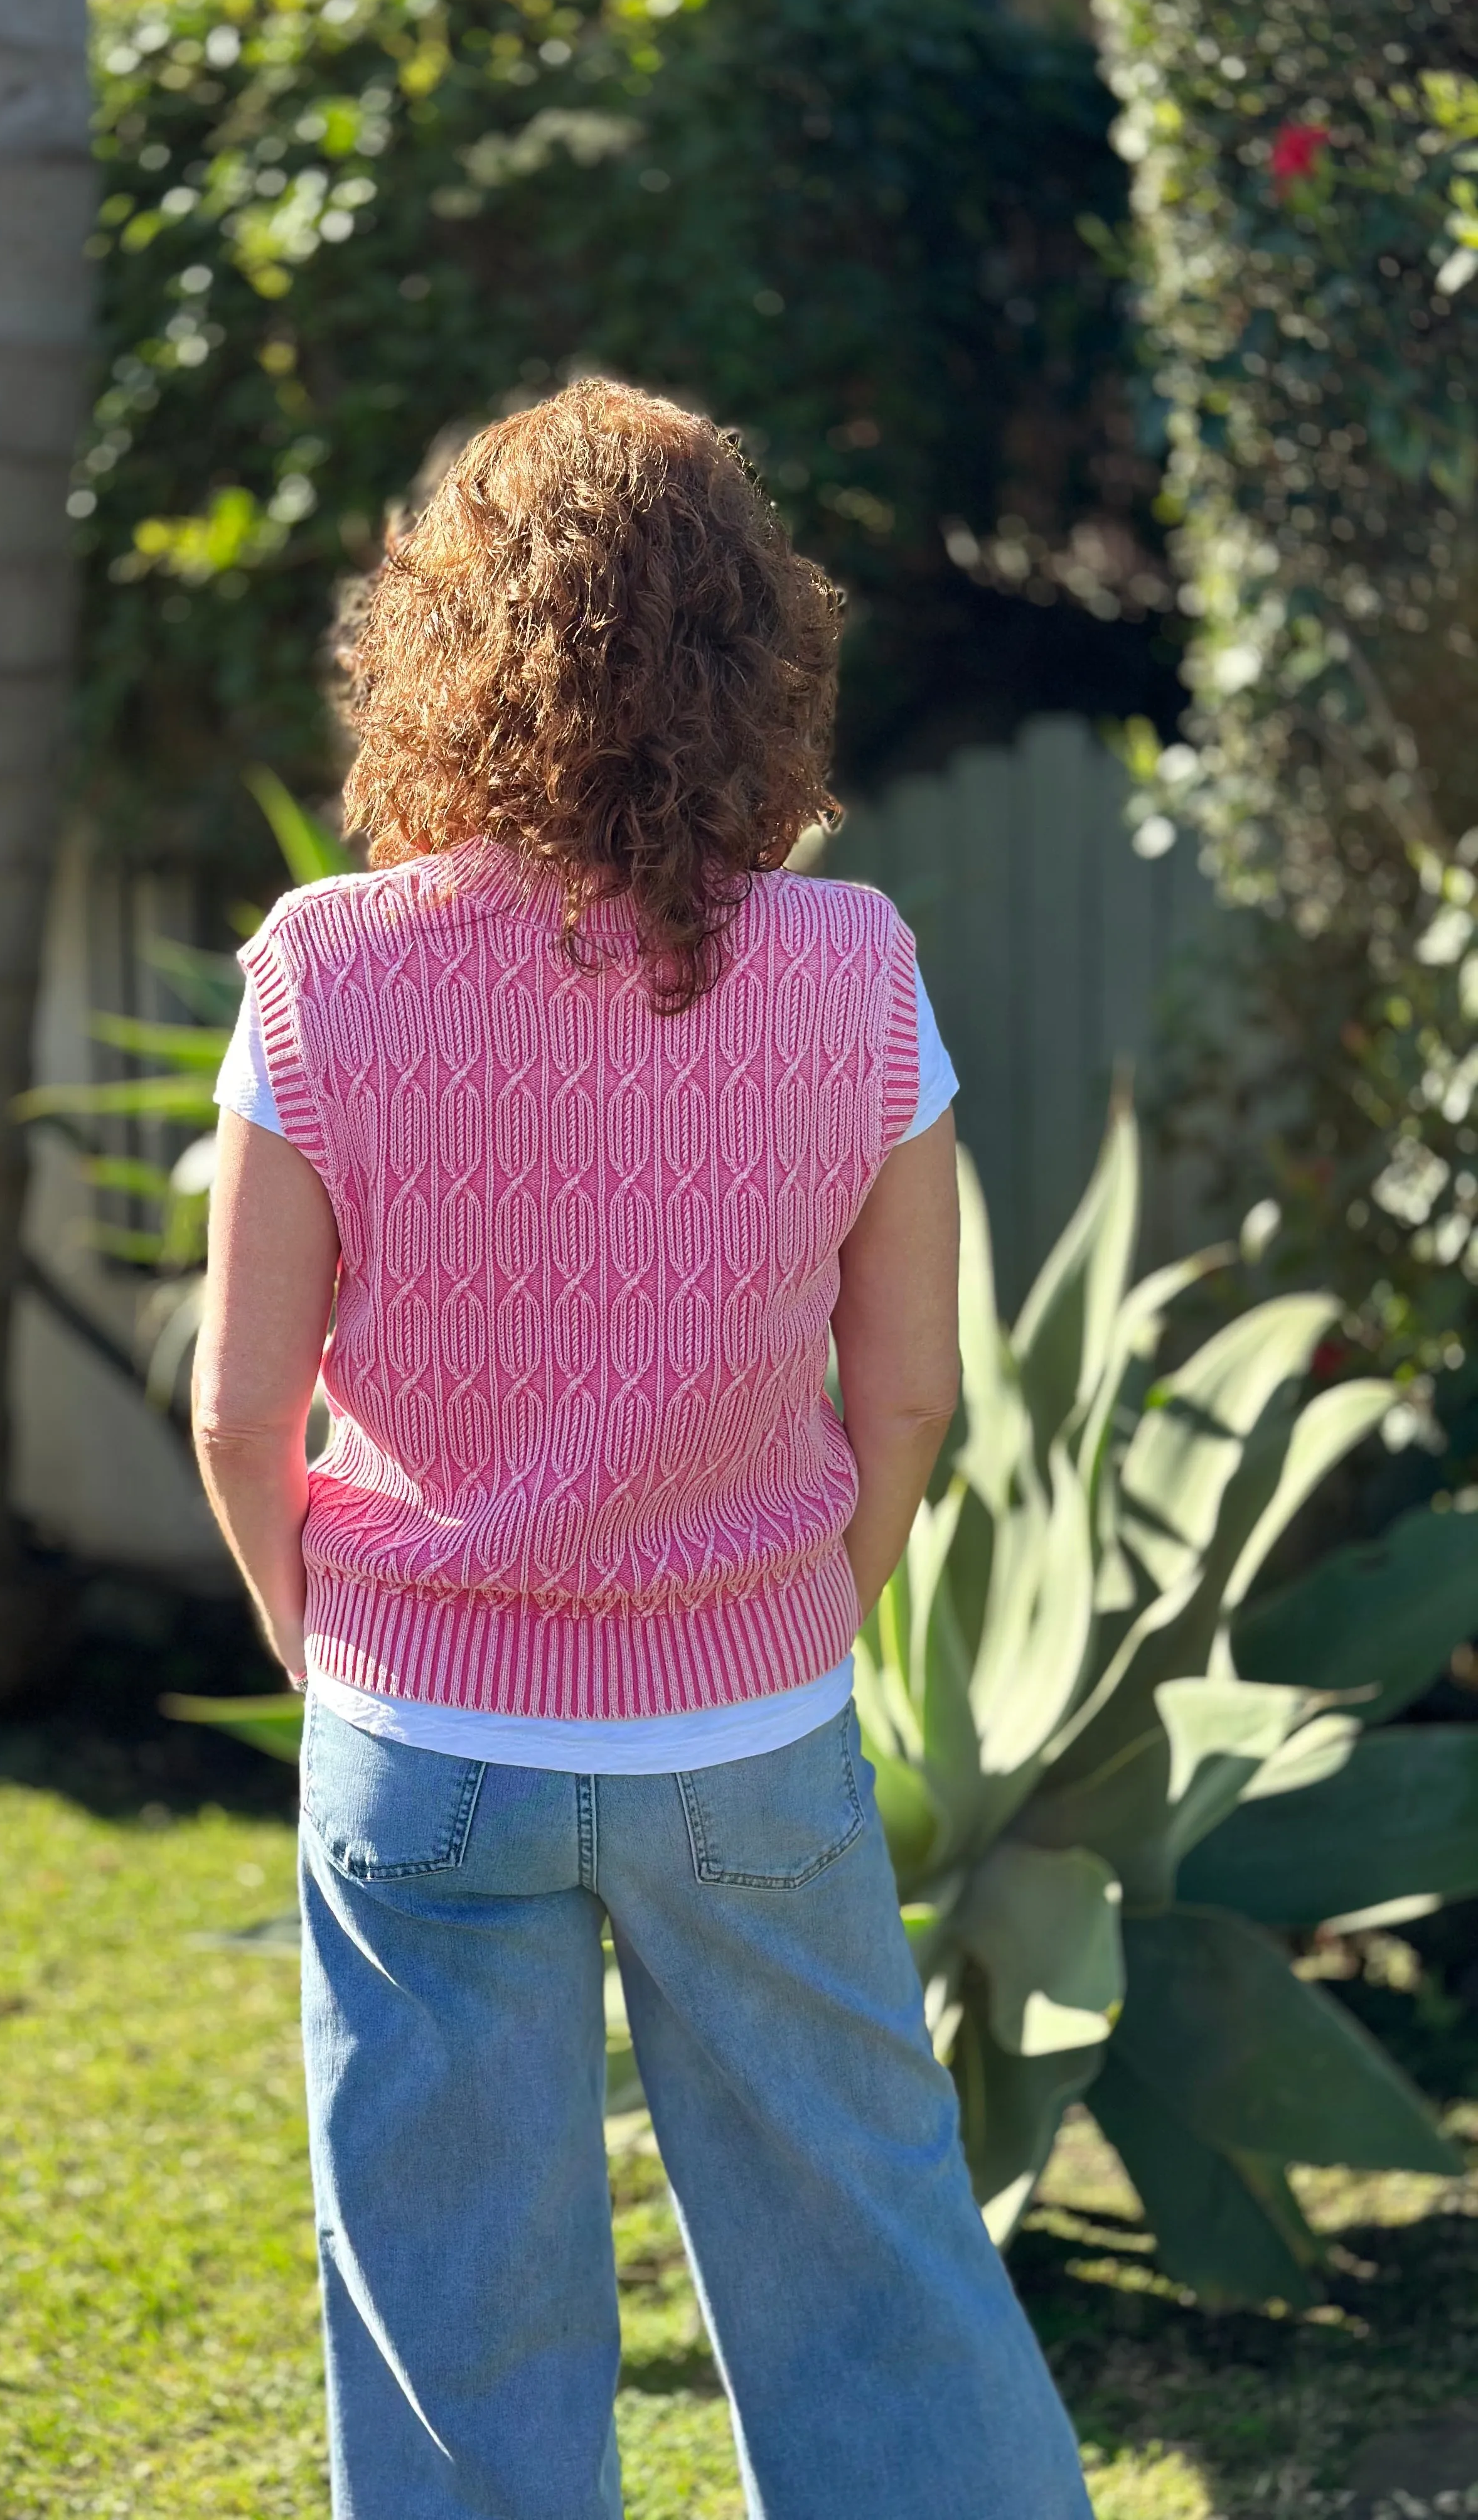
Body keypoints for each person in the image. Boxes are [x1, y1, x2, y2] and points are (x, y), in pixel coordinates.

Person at [191, 379, 1093, 2520]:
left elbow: (240, 1405)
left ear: (444, 643)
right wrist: (810, 1611)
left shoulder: (328, 969)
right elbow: (911, 1392)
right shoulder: (852, 969)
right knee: (869, 2260)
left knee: (450, 2319)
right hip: (749, 1722)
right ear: (754, 650)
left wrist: (328, 1660)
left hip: (421, 1727)